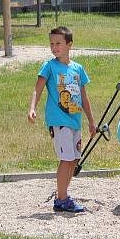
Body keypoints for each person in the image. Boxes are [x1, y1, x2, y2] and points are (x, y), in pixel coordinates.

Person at [28, 26, 96, 213]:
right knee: (66, 159)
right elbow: (38, 88)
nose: (54, 47)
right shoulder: (49, 66)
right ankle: (62, 198)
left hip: (75, 120)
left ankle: (62, 196)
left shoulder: (78, 69)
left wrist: (91, 120)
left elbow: (84, 97)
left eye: (58, 43)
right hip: (59, 120)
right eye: (51, 44)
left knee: (74, 159)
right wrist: (32, 107)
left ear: (69, 45)